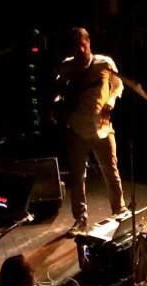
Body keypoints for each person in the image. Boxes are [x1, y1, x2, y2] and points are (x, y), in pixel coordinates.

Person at [54, 27, 128, 237]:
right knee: (77, 176)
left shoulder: (104, 63)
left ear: (89, 44)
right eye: (76, 49)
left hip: (102, 129)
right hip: (77, 128)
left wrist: (111, 102)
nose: (80, 51)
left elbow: (118, 85)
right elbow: (59, 92)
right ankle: (80, 218)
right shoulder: (67, 67)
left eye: (83, 47)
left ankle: (119, 211)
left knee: (111, 171)